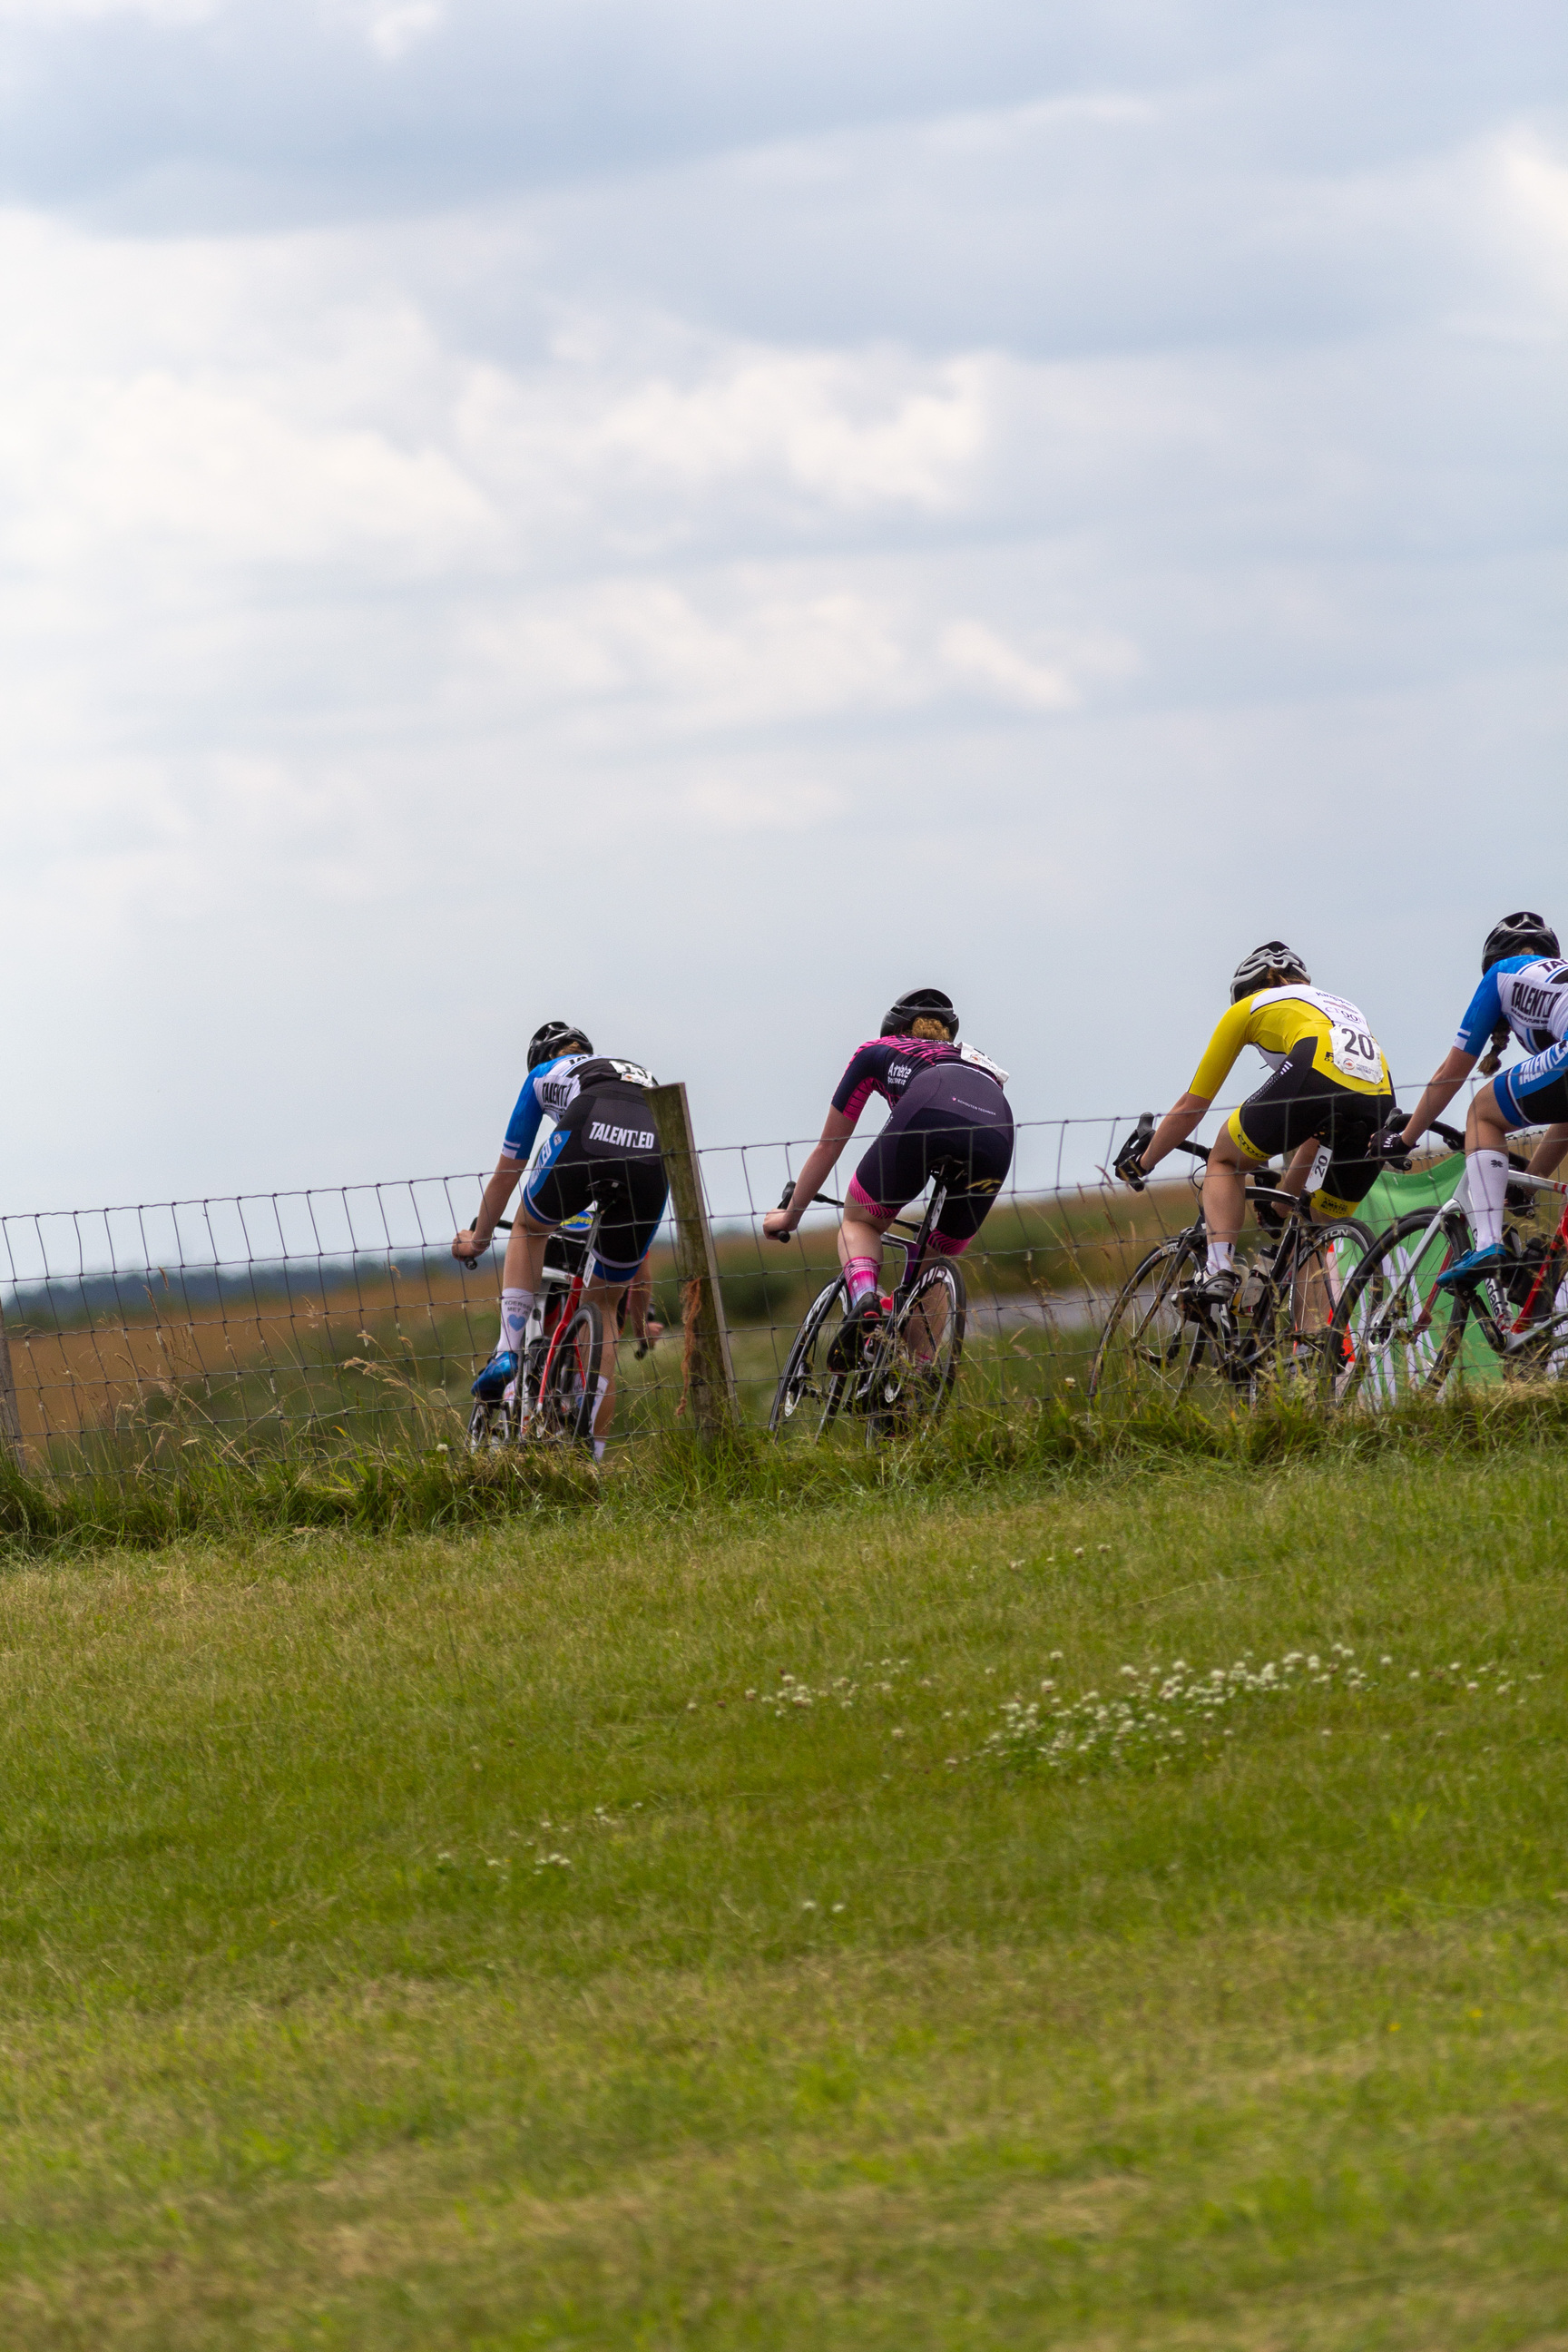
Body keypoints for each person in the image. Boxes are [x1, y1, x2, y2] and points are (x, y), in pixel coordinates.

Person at [1117, 942, 1394, 1305]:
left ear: (1257, 984)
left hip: (1315, 1071)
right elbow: (1317, 1132)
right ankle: (1314, 1356)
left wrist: (1143, 1161)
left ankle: (1218, 1270)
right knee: (1312, 1236)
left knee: (1224, 1160)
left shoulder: (1250, 1007)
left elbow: (1192, 1106)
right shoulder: (1341, 1008)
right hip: (1381, 1099)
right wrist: (1279, 1209)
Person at [452, 1020, 667, 1456]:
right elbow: (640, 1263)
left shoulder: (540, 1078)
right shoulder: (628, 1069)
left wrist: (477, 1240)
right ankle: (594, 1460)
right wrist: (642, 1317)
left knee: (530, 1227)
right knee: (605, 1308)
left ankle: (507, 1351)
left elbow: (507, 1172)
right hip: (653, 1154)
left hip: (589, 1126)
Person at [760, 987, 1014, 1353]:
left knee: (859, 1221)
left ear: (893, 1029)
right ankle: (912, 1382)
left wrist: (790, 1216)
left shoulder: (878, 1051)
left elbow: (828, 1146)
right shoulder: (977, 1059)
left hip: (929, 1107)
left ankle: (866, 1300)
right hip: (997, 1134)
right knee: (936, 1259)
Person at [1386, 912, 1568, 1291]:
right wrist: (1530, 1184)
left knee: (1483, 1111)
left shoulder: (1501, 974)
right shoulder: (1554, 979)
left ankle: (1487, 1244)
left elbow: (1450, 1075)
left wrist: (1405, 1139)